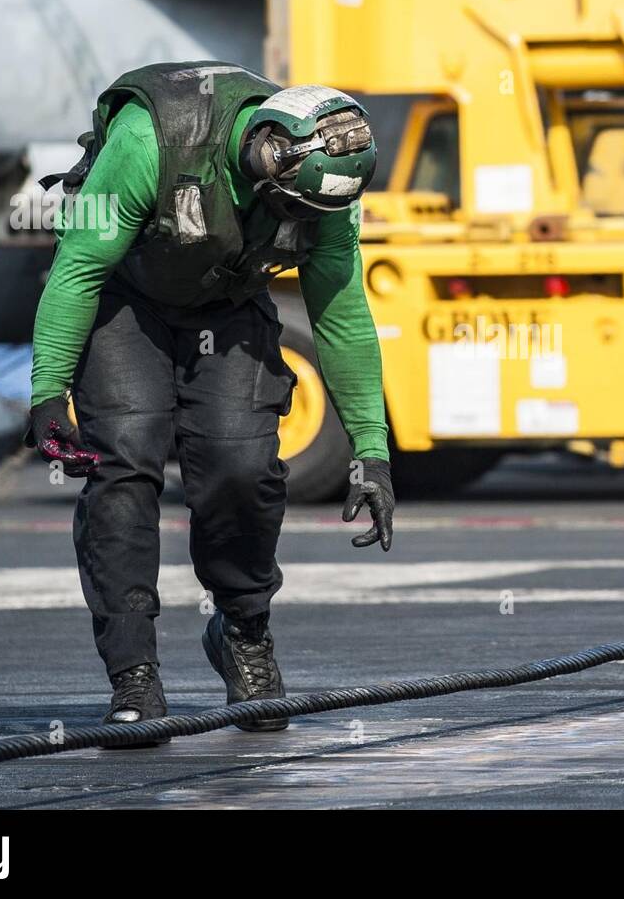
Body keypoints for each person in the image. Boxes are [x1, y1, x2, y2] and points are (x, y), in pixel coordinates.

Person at [24, 61, 395, 737]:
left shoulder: (327, 185)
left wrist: (372, 450)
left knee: (241, 467)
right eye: (285, 209)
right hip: (124, 298)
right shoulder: (149, 142)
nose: (293, 223)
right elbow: (78, 264)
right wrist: (48, 393)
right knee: (126, 462)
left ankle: (243, 633)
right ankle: (134, 674)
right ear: (264, 158)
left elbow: (341, 313)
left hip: (225, 304)